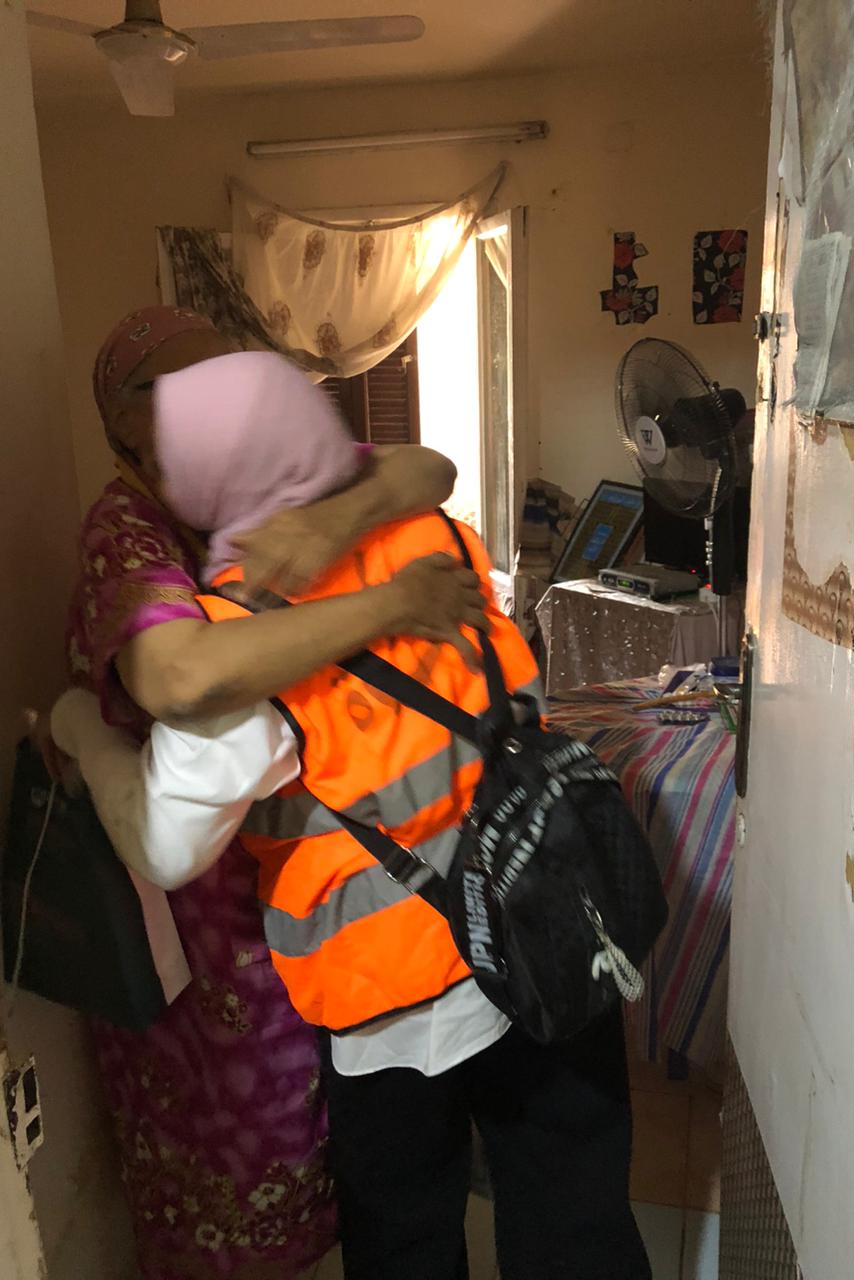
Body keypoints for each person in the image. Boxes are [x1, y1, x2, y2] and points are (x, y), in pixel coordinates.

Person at [54, 349, 651, 1280]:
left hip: (394, 1017)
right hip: (550, 935)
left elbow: (165, 846)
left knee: (408, 1240)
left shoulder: (243, 645)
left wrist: (80, 729)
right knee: (578, 1223)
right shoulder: (438, 535)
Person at [57, 307, 486, 1280]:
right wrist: (390, 600)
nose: (209, 399)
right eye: (172, 388)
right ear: (121, 422)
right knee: (218, 1152)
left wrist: (331, 519)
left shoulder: (259, 463)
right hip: (197, 911)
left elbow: (426, 467)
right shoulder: (129, 528)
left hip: (305, 892)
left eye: (225, 376)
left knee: (337, 1155)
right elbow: (179, 674)